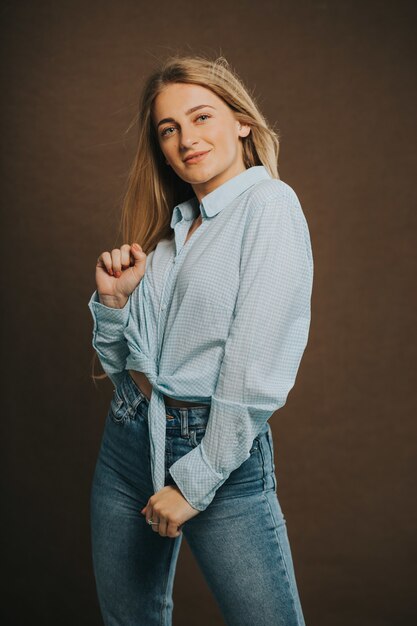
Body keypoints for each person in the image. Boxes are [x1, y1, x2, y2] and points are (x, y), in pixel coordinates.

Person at [87, 54, 313, 626]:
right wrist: (115, 303)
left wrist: (196, 480)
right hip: (129, 436)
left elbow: (255, 365)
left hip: (216, 448)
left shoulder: (270, 207)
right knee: (129, 619)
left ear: (241, 121)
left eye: (202, 117)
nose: (187, 139)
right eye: (169, 130)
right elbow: (123, 366)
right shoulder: (173, 234)